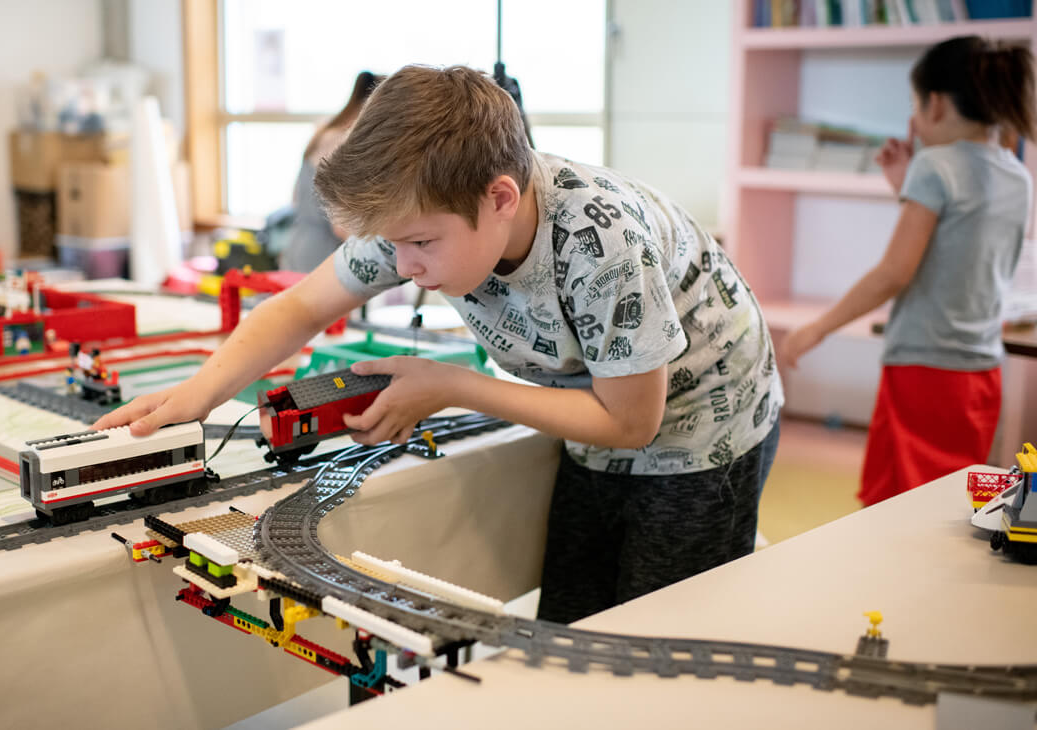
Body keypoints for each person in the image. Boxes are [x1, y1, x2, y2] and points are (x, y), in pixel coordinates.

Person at [94, 65, 783, 625]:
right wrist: (194, 399)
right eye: (396, 245)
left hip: (704, 421)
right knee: (573, 618)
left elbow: (635, 422)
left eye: (421, 245)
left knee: (653, 626)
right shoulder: (423, 210)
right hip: (597, 407)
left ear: (501, 198)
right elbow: (301, 306)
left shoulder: (600, 246)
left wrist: (450, 385)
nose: (405, 265)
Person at [779, 36, 1034, 507]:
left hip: (924, 369)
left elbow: (896, 271)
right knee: (953, 504)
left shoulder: (935, 166)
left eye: (914, 104)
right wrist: (906, 185)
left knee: (896, 508)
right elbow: (963, 246)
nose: (912, 120)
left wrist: (816, 329)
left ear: (935, 103)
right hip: (980, 374)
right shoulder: (1018, 175)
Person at [279, 71, 383, 273]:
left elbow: (295, 199)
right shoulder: (343, 140)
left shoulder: (323, 132)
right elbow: (341, 225)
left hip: (296, 242)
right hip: (321, 251)